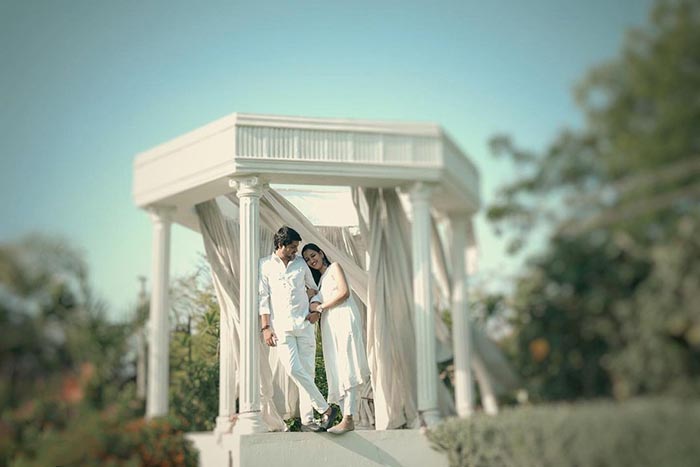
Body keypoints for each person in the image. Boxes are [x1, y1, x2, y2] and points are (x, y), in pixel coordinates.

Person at [259, 227, 339, 432]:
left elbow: (315, 290)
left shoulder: (301, 263)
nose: (296, 251)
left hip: (305, 325)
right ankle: (325, 409)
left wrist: (316, 310)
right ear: (281, 245)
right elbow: (263, 299)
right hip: (281, 328)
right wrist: (266, 327)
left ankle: (308, 421)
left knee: (307, 373)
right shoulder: (265, 265)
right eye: (293, 247)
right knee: (294, 369)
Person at [301, 243, 371, 434]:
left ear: (321, 253)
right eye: (307, 259)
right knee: (336, 369)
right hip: (329, 325)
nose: (311, 260)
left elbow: (344, 292)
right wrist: (313, 302)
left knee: (347, 365)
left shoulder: (334, 267)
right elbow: (313, 304)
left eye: (313, 255)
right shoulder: (319, 283)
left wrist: (320, 307)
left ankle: (349, 417)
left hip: (343, 317)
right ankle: (345, 417)